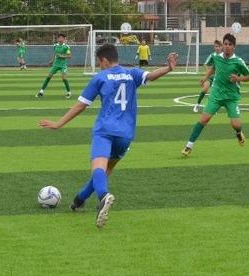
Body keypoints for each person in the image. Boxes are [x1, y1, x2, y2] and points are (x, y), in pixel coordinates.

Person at [39, 45, 178, 228]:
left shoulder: (100, 77)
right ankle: (79, 199)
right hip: (126, 134)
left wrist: (59, 123)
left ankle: (104, 196)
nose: (99, 66)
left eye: (99, 62)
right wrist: (168, 68)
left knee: (98, 168)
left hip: (105, 130)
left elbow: (81, 105)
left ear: (104, 60)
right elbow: (151, 75)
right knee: (105, 171)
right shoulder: (131, 74)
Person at [181, 33, 249, 157]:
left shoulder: (238, 62)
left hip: (231, 97)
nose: (227, 46)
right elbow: (213, 68)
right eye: (225, 44)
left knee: (235, 124)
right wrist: (204, 78)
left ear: (234, 47)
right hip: (216, 94)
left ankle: (239, 133)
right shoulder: (217, 57)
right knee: (204, 119)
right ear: (223, 45)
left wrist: (238, 78)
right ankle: (188, 146)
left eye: (230, 44)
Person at [37, 33, 72, 98]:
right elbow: (54, 54)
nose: (60, 39)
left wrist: (62, 56)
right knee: (49, 76)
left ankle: (69, 92)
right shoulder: (55, 45)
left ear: (64, 39)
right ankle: (41, 91)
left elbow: (69, 56)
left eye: (61, 38)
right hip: (56, 64)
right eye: (59, 38)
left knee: (64, 78)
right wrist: (51, 61)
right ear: (57, 39)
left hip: (63, 65)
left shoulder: (66, 47)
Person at [192, 40, 222, 113]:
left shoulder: (225, 56)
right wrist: (208, 72)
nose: (217, 48)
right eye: (215, 46)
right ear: (214, 47)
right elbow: (205, 64)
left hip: (220, 78)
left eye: (218, 46)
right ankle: (197, 104)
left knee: (217, 93)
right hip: (211, 77)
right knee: (205, 89)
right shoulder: (212, 55)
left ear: (221, 47)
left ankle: (213, 107)